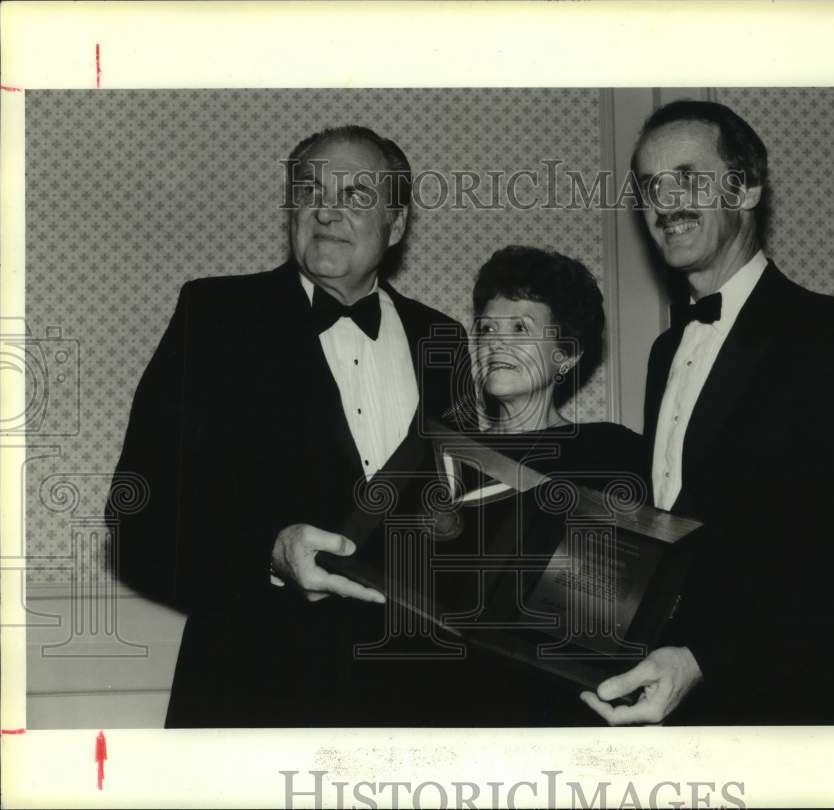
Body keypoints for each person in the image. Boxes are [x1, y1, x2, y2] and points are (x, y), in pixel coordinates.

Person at [107, 125, 473, 727]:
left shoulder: (445, 338)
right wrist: (267, 557)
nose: (326, 209)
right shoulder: (215, 317)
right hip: (254, 691)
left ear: (397, 225)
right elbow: (135, 516)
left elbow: (461, 520)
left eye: (356, 195)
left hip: (415, 699)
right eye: (309, 190)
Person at [581, 100, 834, 725]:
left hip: (804, 710)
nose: (666, 202)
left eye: (689, 177)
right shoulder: (664, 353)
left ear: (749, 187)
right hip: (682, 707)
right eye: (651, 186)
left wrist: (707, 657)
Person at [348, 244, 648, 726]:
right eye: (486, 329)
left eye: (520, 329)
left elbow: (619, 608)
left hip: (558, 715)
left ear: (567, 354)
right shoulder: (434, 450)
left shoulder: (614, 454)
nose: (495, 344)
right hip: (429, 710)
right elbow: (372, 573)